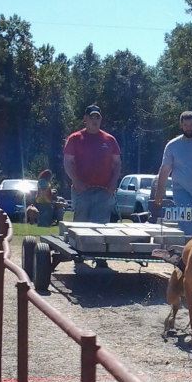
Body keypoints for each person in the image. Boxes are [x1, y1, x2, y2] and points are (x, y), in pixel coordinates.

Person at [63, 105, 121, 267]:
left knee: (101, 224)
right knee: (81, 222)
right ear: (85, 119)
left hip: (104, 190)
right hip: (82, 189)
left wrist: (113, 183)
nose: (95, 121)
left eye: (98, 118)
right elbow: (68, 162)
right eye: (92, 117)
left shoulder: (109, 140)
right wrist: (76, 181)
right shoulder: (75, 138)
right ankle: (79, 256)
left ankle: (100, 257)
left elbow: (117, 164)